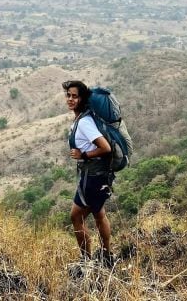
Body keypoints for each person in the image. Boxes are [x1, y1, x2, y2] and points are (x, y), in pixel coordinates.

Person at [62, 80, 115, 267]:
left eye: (74, 96)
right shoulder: (82, 118)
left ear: (82, 98)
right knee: (99, 214)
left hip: (92, 177)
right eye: (68, 95)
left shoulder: (84, 122)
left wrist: (83, 154)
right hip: (97, 175)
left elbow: (106, 147)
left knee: (76, 217)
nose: (70, 99)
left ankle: (86, 260)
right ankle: (107, 257)